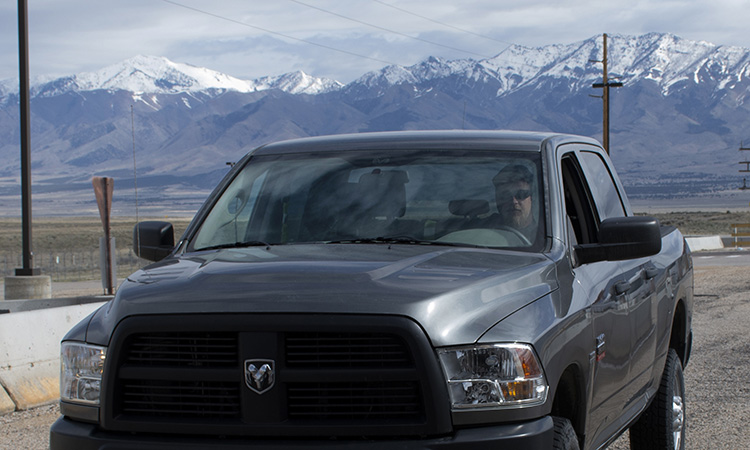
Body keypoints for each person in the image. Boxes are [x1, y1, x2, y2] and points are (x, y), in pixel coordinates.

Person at [489, 164, 538, 242]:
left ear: (532, 197)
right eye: (506, 195)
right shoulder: (483, 229)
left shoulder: (543, 238)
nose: (514, 201)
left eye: (521, 194)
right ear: (498, 199)